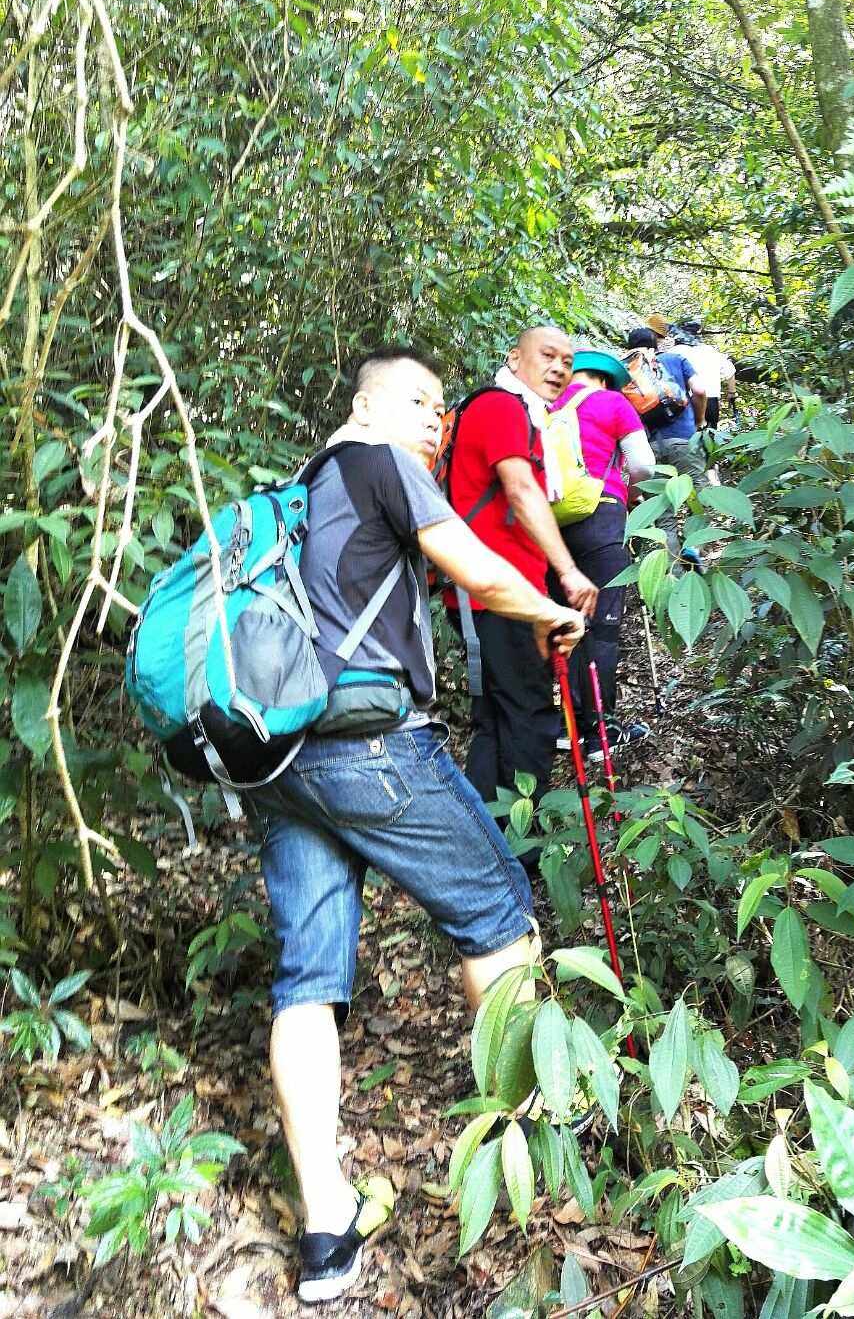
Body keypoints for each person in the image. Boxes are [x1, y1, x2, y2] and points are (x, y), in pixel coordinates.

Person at [256, 343, 585, 1303]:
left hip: (282, 761)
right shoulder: (378, 461)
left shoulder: (299, 490)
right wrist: (545, 608)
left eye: (444, 410)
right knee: (498, 910)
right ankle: (524, 1141)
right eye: (425, 404)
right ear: (374, 404)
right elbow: (473, 568)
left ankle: (327, 1231)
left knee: (307, 977)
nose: (439, 424)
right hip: (369, 744)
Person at [444, 325, 599, 807]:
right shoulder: (502, 406)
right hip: (500, 591)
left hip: (483, 592)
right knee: (529, 717)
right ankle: (523, 853)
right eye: (547, 356)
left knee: (498, 720)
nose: (558, 368)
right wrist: (569, 572)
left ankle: (486, 850)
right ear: (514, 359)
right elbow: (521, 490)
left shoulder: (508, 410)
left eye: (567, 362)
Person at [550, 347, 655, 758]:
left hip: (550, 527)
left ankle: (564, 726)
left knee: (565, 623)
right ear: (606, 379)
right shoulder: (612, 402)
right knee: (602, 625)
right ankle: (600, 733)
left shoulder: (543, 409)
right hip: (601, 515)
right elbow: (643, 464)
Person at [625, 325, 707, 566]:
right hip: (684, 440)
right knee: (701, 497)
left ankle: (675, 575)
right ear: (656, 344)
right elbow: (700, 390)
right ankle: (693, 547)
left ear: (629, 348)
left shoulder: (626, 373)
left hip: (648, 449)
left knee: (663, 517)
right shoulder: (675, 359)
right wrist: (700, 421)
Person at [674, 319, 736, 431]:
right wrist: (731, 393)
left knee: (687, 440)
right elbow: (730, 370)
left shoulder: (675, 352)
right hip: (710, 401)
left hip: (686, 402)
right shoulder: (710, 351)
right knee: (710, 439)